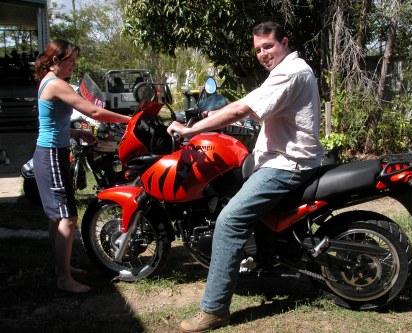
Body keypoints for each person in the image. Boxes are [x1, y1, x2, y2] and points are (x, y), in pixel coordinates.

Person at [167, 21, 324, 332]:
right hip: (278, 159)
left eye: (268, 46)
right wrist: (214, 115)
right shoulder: (286, 71)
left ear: (284, 42)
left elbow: (242, 109)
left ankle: (214, 310)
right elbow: (254, 106)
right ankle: (265, 261)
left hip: (285, 164)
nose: (263, 53)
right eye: (258, 49)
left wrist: (191, 129)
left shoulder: (290, 71)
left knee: (229, 221)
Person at [33, 39, 131, 293]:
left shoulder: (48, 81)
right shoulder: (56, 84)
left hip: (52, 151)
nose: (73, 66)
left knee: (57, 217)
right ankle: (64, 279)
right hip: (52, 155)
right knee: (67, 217)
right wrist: (130, 119)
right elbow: (93, 112)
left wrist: (78, 134)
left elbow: (52, 123)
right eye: (70, 61)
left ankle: (59, 268)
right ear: (56, 60)